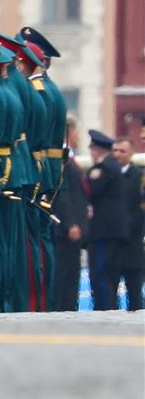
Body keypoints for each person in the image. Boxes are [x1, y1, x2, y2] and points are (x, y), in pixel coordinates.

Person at [85, 130, 129, 310]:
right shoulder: (111, 166)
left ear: (97, 149)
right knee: (104, 272)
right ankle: (106, 305)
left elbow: (91, 190)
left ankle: (105, 307)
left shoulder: (105, 168)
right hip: (109, 228)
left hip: (105, 229)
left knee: (100, 271)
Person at [51, 116, 88, 311]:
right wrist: (70, 223)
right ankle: (64, 307)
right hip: (67, 229)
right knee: (65, 272)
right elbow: (63, 194)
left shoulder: (70, 157)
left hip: (76, 226)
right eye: (76, 131)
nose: (78, 135)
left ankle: (70, 306)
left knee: (72, 271)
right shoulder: (63, 158)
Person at [112, 138, 143, 310]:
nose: (117, 155)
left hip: (133, 243)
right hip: (113, 245)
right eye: (115, 151)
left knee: (135, 293)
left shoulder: (139, 177)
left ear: (130, 154)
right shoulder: (108, 175)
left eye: (122, 151)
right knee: (109, 293)